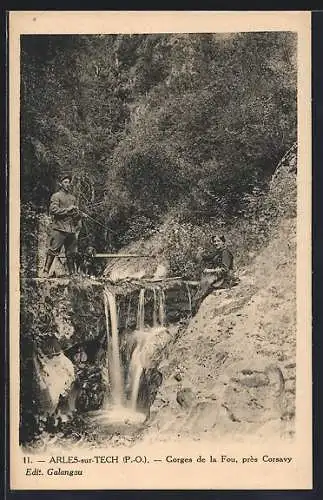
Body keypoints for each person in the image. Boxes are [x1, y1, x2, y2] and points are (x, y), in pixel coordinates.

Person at [42, 174, 82, 277]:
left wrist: (79, 214)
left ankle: (72, 273)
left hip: (71, 229)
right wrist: (67, 210)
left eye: (69, 183)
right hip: (59, 228)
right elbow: (53, 210)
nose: (68, 185)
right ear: (61, 184)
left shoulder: (73, 198)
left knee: (71, 253)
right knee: (53, 250)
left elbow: (75, 216)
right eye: (65, 182)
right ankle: (45, 271)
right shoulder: (56, 196)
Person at [192, 235, 234, 314]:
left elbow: (225, 269)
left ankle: (195, 309)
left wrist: (209, 271)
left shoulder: (225, 252)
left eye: (218, 241)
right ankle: (194, 308)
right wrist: (199, 253)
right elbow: (207, 257)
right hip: (219, 277)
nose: (216, 243)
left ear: (223, 242)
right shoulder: (218, 252)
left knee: (204, 287)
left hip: (225, 279)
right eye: (214, 241)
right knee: (201, 284)